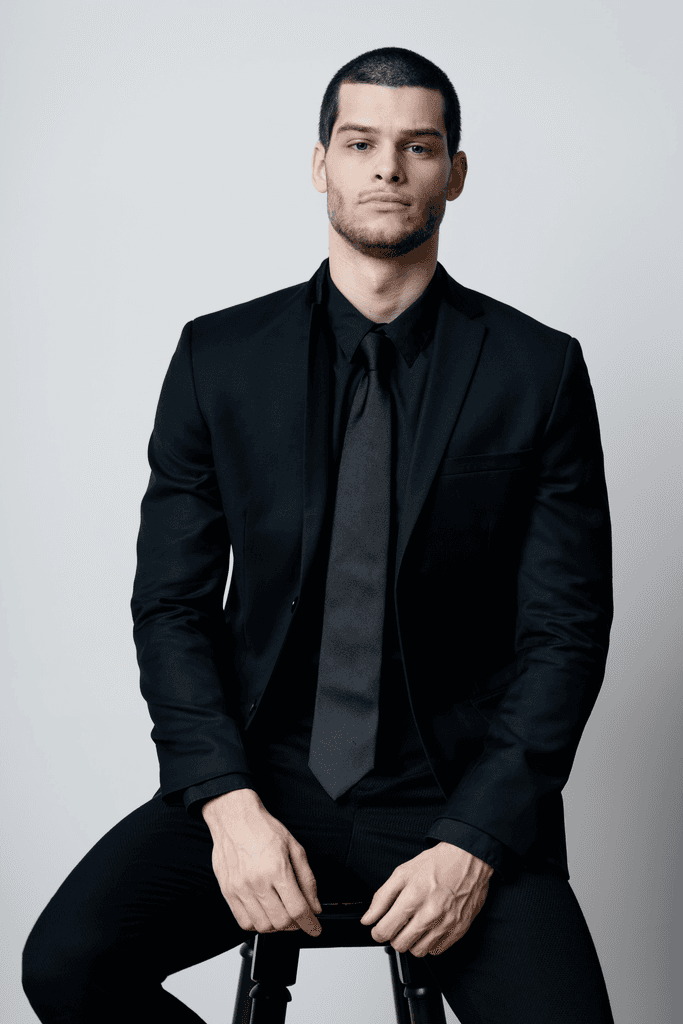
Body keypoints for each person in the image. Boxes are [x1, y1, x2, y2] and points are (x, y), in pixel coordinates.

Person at [22, 46, 616, 1023]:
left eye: (417, 146)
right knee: (67, 964)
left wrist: (473, 840)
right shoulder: (218, 359)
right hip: (268, 780)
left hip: (454, 791)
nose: (387, 168)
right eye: (359, 142)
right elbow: (171, 606)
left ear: (454, 173)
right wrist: (227, 806)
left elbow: (566, 631)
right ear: (319, 164)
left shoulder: (536, 369)